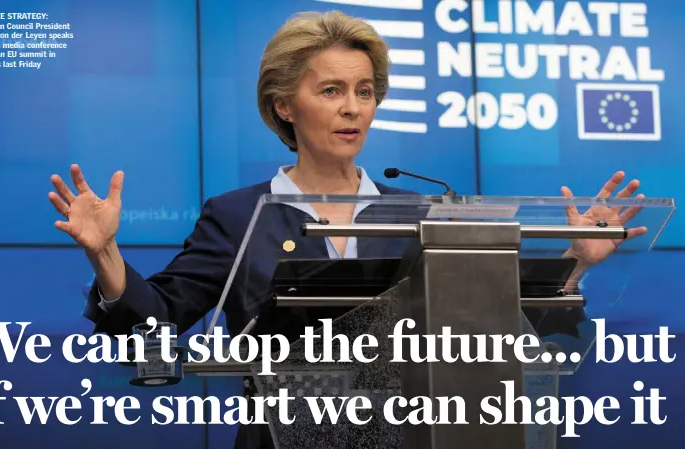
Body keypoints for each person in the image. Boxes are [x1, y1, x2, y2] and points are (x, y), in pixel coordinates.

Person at [48, 10, 645, 449]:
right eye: (330, 91)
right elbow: (159, 316)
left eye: (365, 92)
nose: (353, 108)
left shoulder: (417, 213)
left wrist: (576, 260)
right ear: (285, 105)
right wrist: (106, 256)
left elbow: (500, 330)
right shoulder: (236, 215)